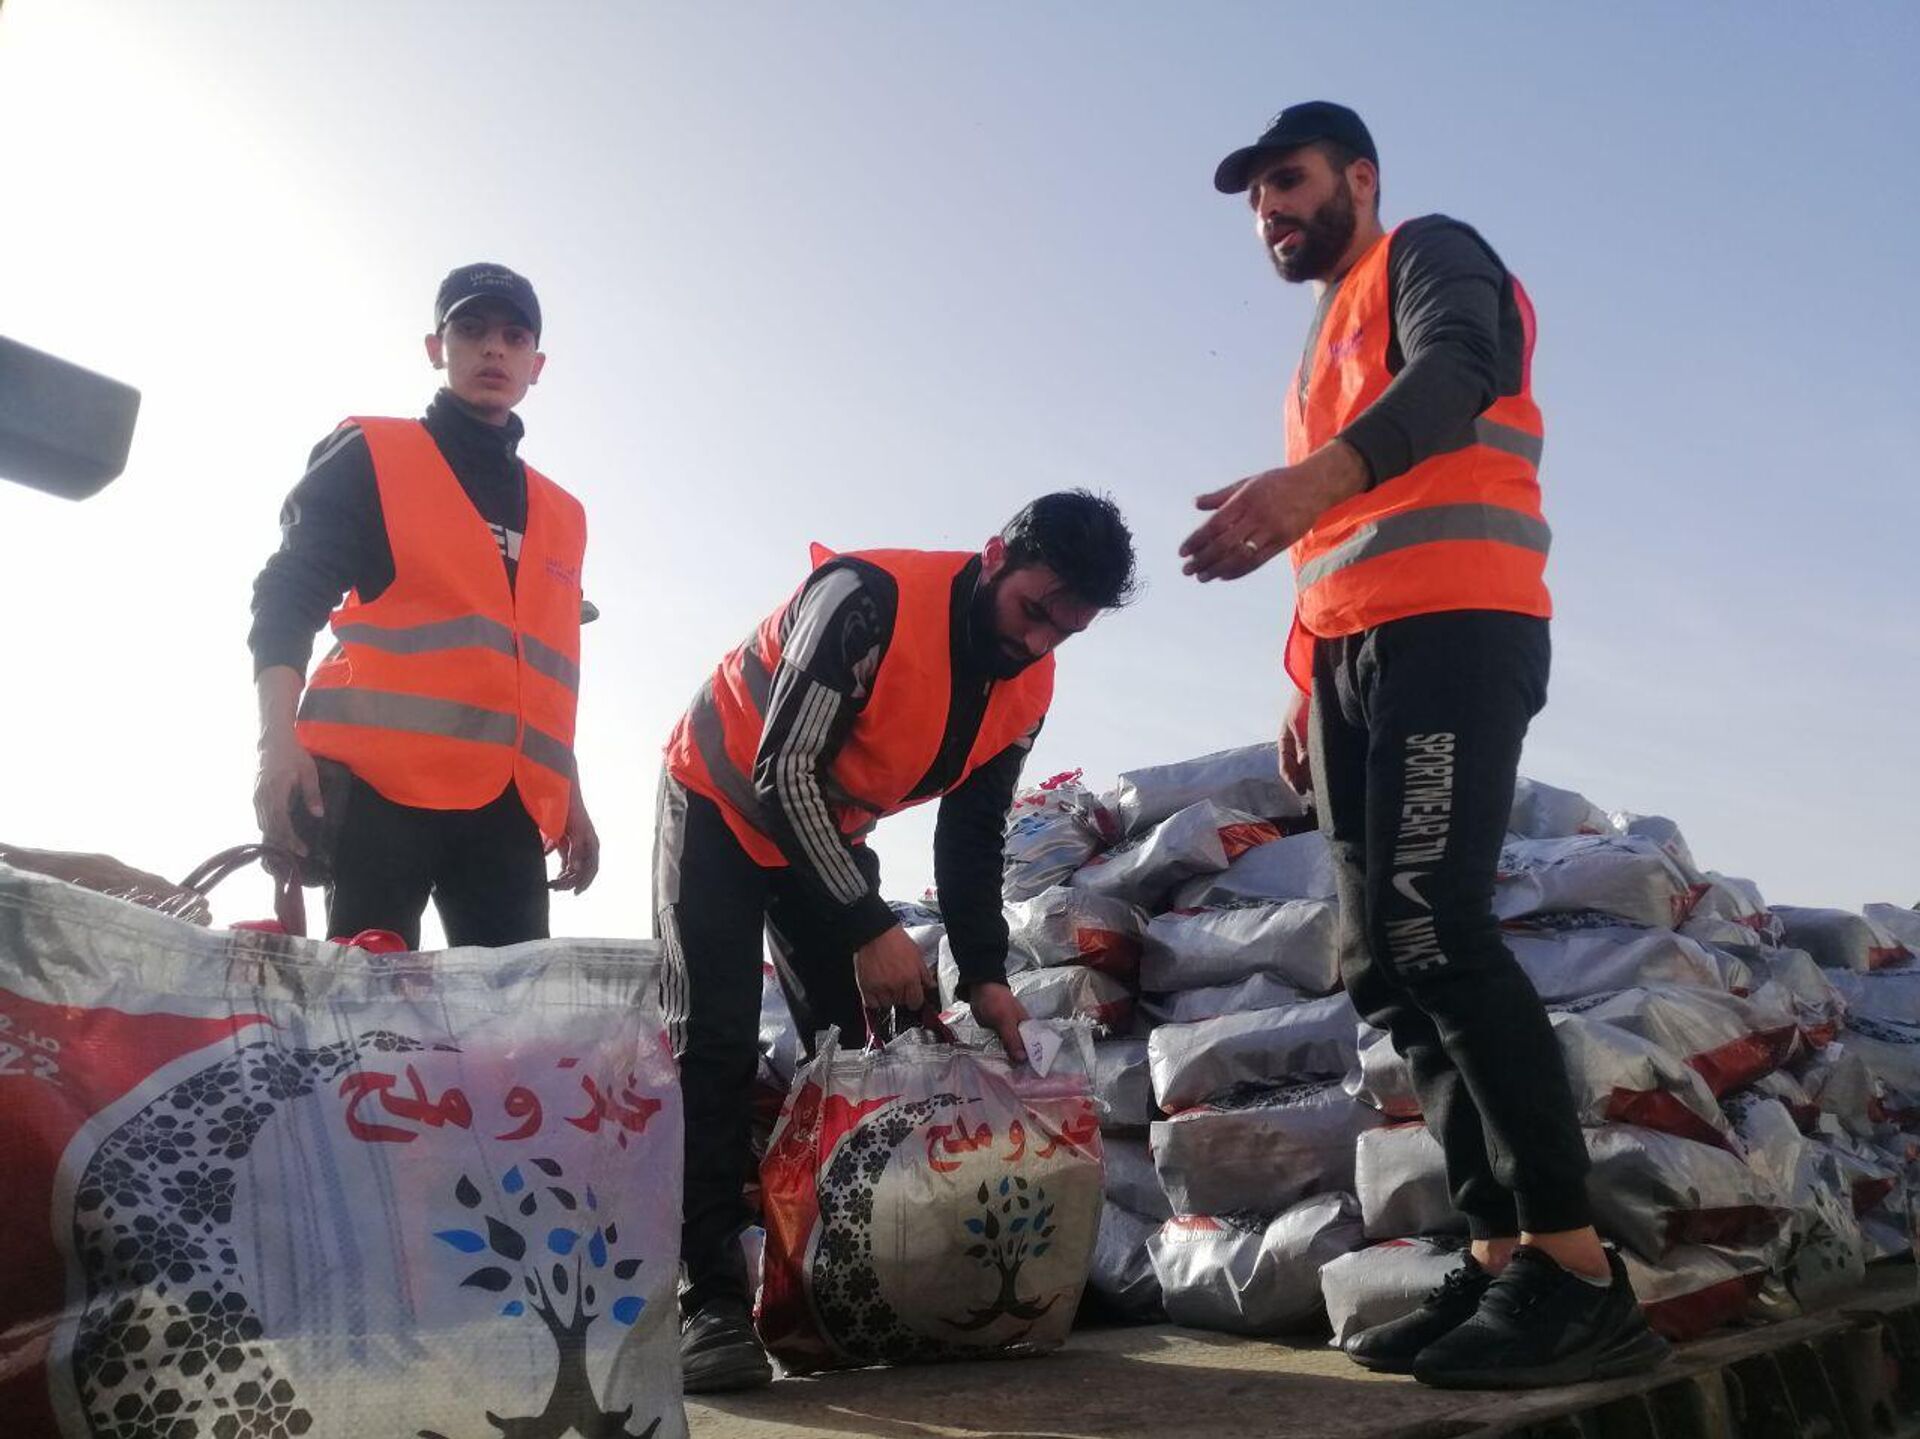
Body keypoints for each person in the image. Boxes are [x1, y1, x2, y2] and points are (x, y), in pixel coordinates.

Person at [1187, 102, 1666, 1389]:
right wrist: (1305, 686)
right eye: (1256, 204)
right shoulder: (1315, 349)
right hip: (1355, 663)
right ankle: (1502, 1252)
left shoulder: (1429, 256)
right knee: (1385, 965)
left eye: (1288, 183)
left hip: (1459, 627)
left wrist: (1318, 476)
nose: (1271, 214)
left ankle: (1576, 1272)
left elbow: (1463, 373)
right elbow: (1335, 549)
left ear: (1360, 176)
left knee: (1437, 926)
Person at [657, 492, 1136, 1391]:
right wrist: (869, 922)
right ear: (995, 554)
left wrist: (986, 973)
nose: (1036, 643)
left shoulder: (1028, 682)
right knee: (714, 1042)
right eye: (1032, 610)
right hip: (720, 801)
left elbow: (971, 831)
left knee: (849, 1053)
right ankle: (708, 1301)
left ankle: (847, 1282)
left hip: (823, 829)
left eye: (1063, 631)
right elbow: (780, 768)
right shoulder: (863, 598)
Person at [248, 263, 599, 949]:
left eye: (512, 335)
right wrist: (276, 743)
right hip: (384, 799)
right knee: (367, 1016)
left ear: (537, 363)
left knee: (508, 1028)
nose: (493, 348)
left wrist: (570, 796)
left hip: (507, 813)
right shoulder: (374, 455)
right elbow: (287, 596)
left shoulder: (563, 514)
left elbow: (535, 669)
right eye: (470, 330)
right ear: (436, 348)